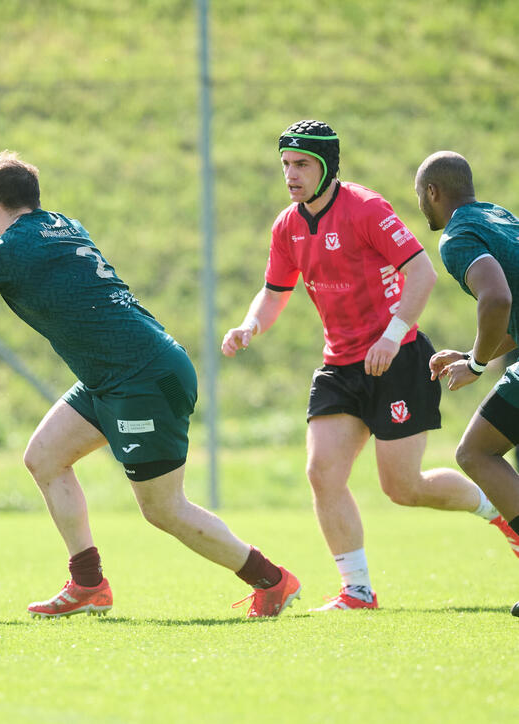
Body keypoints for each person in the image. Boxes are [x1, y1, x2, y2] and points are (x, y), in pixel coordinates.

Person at [0, 150, 301, 619]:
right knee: (44, 458)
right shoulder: (62, 225)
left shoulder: (4, 252)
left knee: (163, 509)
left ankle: (272, 580)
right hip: (122, 372)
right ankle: (88, 584)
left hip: (141, 378)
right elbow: (16, 265)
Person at [222, 120, 511, 612]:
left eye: (302, 165)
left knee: (404, 487)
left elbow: (420, 273)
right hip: (340, 365)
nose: (291, 175)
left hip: (397, 359)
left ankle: (502, 516)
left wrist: (393, 336)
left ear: (328, 167)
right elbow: (274, 292)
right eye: (286, 166)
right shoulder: (287, 225)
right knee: (322, 473)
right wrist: (250, 325)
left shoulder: (365, 208)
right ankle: (357, 590)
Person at [414, 151, 519, 571]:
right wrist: (473, 354)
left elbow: (497, 299)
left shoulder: (456, 236)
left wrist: (476, 367)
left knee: (477, 452)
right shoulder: (499, 216)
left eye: (420, 196)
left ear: (432, 192)